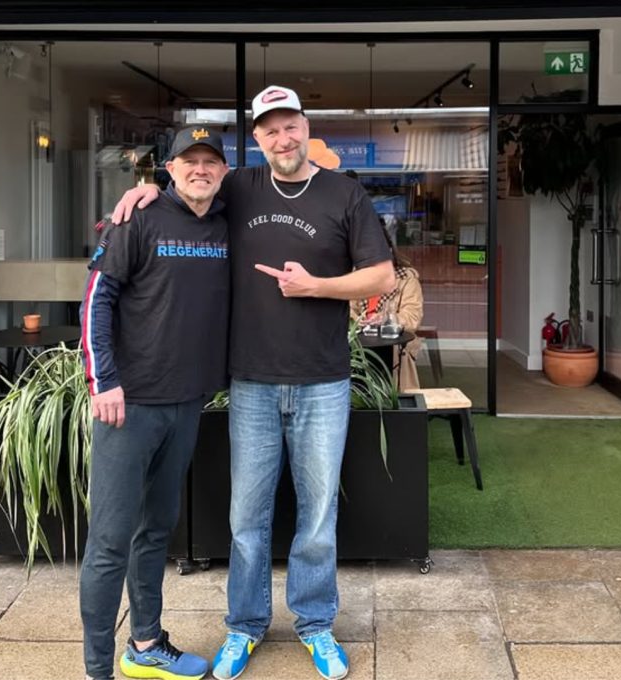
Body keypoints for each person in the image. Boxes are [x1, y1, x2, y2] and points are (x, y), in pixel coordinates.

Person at [111, 85, 394, 680]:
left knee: (317, 516)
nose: (281, 139)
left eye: (289, 126)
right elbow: (189, 187)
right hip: (252, 384)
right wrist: (145, 191)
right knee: (247, 517)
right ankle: (244, 627)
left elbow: (382, 277)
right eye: (269, 130)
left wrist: (314, 286)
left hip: (322, 381)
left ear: (306, 127)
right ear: (257, 139)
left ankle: (315, 626)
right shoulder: (238, 186)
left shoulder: (344, 193)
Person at [79, 126, 231, 680]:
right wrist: (104, 381)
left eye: (210, 161)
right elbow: (96, 299)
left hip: (186, 403)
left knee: (156, 529)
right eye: (188, 161)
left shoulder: (224, 220)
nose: (199, 169)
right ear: (167, 169)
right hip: (128, 405)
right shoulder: (135, 218)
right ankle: (97, 669)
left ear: (223, 172)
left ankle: (145, 645)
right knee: (110, 540)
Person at [351, 227, 424, 391]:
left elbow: (412, 318)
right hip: (361, 345)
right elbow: (347, 308)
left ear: (389, 252)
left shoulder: (407, 279)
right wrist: (358, 320)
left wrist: (386, 318)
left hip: (393, 345)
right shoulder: (357, 277)